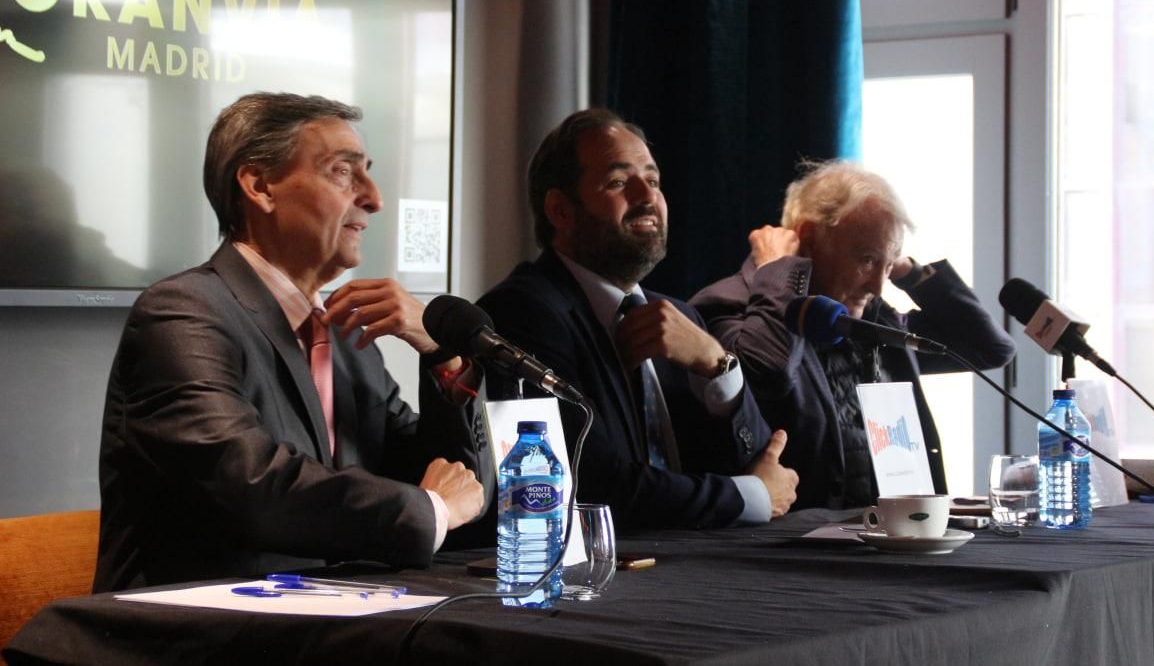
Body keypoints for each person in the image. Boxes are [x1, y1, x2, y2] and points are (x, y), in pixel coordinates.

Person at [94, 93, 489, 592]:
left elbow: (454, 484)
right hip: (204, 623)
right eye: (343, 172)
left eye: (367, 173)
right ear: (260, 186)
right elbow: (253, 486)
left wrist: (440, 354)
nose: (374, 198)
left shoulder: (345, 335)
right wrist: (431, 508)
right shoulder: (183, 312)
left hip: (336, 614)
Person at [477, 108, 798, 530]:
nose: (647, 197)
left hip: (697, 556)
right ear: (560, 210)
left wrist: (718, 364)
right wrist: (748, 496)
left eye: (653, 180)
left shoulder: (680, 317)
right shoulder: (521, 312)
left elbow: (755, 461)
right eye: (617, 182)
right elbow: (591, 483)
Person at [691, 160, 1016, 510]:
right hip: (795, 537)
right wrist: (777, 271)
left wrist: (907, 271)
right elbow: (767, 374)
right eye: (866, 259)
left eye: (887, 266)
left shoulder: (875, 318)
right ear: (809, 239)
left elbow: (989, 348)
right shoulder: (728, 304)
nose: (878, 286)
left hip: (894, 530)